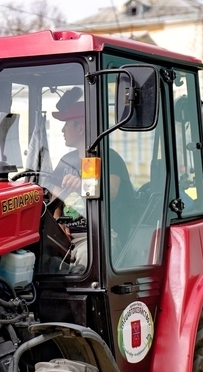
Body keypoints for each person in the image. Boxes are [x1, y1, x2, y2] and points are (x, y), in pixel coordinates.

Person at [47, 93, 135, 272]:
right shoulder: (66, 161)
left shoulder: (108, 158)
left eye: (67, 124)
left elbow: (111, 191)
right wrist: (57, 222)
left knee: (88, 259)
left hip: (98, 234)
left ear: (80, 128)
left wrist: (81, 184)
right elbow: (53, 193)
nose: (62, 130)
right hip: (66, 234)